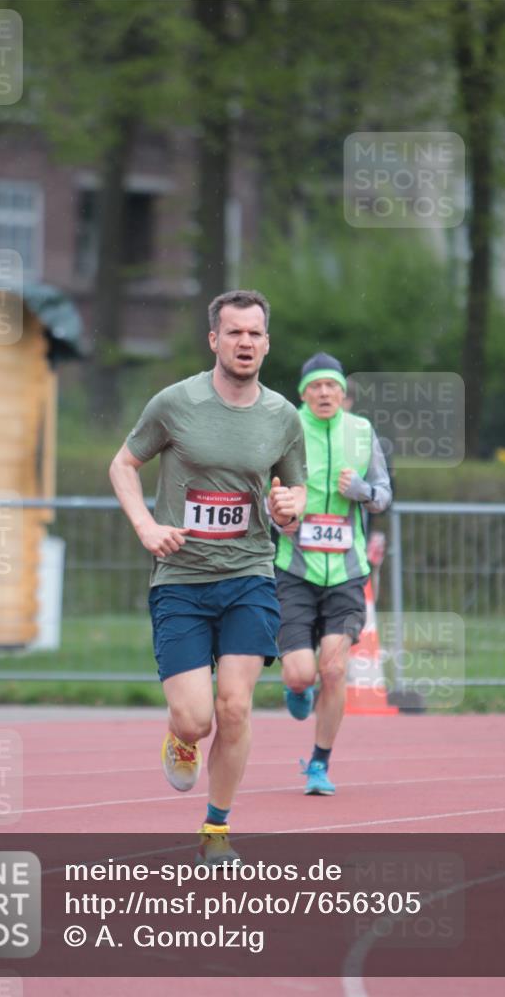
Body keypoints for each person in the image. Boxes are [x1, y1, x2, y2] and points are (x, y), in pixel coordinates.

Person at [109, 289, 306, 864]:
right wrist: (146, 525)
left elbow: (291, 502)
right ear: (214, 339)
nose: (245, 342)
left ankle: (216, 830)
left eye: (255, 334)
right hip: (181, 581)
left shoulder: (283, 417)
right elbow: (123, 464)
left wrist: (288, 511)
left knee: (235, 708)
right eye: (234, 332)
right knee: (196, 719)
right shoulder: (176, 403)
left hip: (249, 574)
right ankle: (180, 736)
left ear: (267, 344)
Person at [274, 352, 391, 796]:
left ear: (343, 393)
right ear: (303, 393)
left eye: (332, 386)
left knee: (335, 668)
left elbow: (383, 494)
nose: (325, 393)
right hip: (295, 568)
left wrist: (361, 492)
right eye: (316, 386)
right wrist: (281, 519)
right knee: (303, 673)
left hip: (346, 571)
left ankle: (319, 765)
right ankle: (297, 687)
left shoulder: (361, 432)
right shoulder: (287, 429)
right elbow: (266, 491)